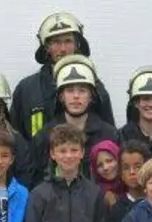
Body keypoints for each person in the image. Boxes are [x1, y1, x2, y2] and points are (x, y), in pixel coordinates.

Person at [10, 12, 115, 140]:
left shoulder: (96, 88)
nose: (63, 49)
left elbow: (109, 139)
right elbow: (14, 139)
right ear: (47, 47)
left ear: (77, 45)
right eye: (56, 42)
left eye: (68, 41)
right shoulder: (27, 89)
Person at [29, 55, 119, 186]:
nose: (76, 96)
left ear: (91, 97)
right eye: (70, 91)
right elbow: (35, 180)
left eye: (82, 91)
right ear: (61, 97)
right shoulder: (44, 136)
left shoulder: (109, 135)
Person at [91, 139, 125, 208]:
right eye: (99, 165)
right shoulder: (95, 196)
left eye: (109, 161)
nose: (105, 167)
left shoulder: (133, 184)